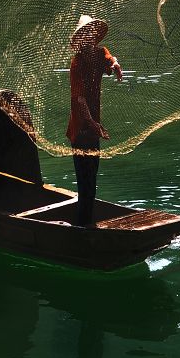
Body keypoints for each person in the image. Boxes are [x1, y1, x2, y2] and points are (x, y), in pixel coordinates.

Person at [66, 15, 123, 227]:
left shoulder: (99, 54)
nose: (88, 38)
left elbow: (109, 59)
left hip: (93, 129)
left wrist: (116, 65)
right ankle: (82, 229)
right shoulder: (77, 63)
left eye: (90, 34)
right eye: (84, 35)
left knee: (93, 184)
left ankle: (87, 225)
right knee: (85, 186)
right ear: (80, 40)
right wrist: (91, 123)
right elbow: (79, 99)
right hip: (81, 130)